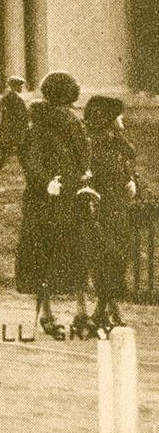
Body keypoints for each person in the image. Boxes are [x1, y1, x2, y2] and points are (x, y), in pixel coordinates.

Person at [15, 71, 93, 339]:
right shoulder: (41, 127)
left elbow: (81, 155)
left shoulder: (72, 123)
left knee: (77, 254)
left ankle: (82, 312)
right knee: (47, 256)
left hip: (70, 197)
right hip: (47, 201)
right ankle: (47, 313)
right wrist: (47, 182)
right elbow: (32, 161)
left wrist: (84, 173)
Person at [85, 95, 139, 331]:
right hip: (105, 208)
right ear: (108, 118)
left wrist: (131, 180)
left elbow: (127, 163)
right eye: (118, 115)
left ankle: (107, 308)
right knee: (110, 257)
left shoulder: (116, 140)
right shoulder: (97, 144)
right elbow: (105, 174)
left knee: (116, 258)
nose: (122, 119)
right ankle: (102, 310)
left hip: (118, 207)